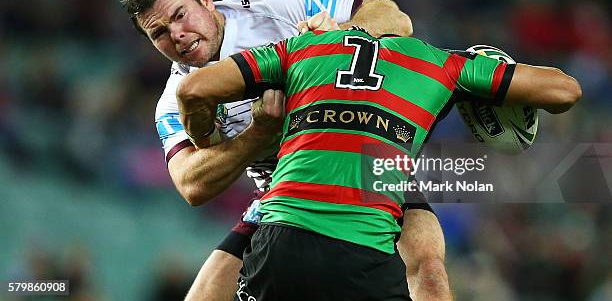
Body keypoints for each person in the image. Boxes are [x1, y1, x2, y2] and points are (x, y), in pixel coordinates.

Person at [117, 0, 449, 301]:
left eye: (179, 16)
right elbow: (190, 185)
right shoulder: (176, 100)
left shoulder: (280, 0)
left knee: (429, 271)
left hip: (364, 164)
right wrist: (258, 134)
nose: (178, 35)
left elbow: (395, 19)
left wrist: (338, 37)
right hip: (282, 196)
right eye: (160, 33)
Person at [176, 25, 582, 301]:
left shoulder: (301, 46)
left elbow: (194, 90)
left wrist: (208, 139)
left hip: (281, 244)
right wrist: (487, 77)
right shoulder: (443, 64)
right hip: (363, 254)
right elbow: (566, 91)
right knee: (428, 269)